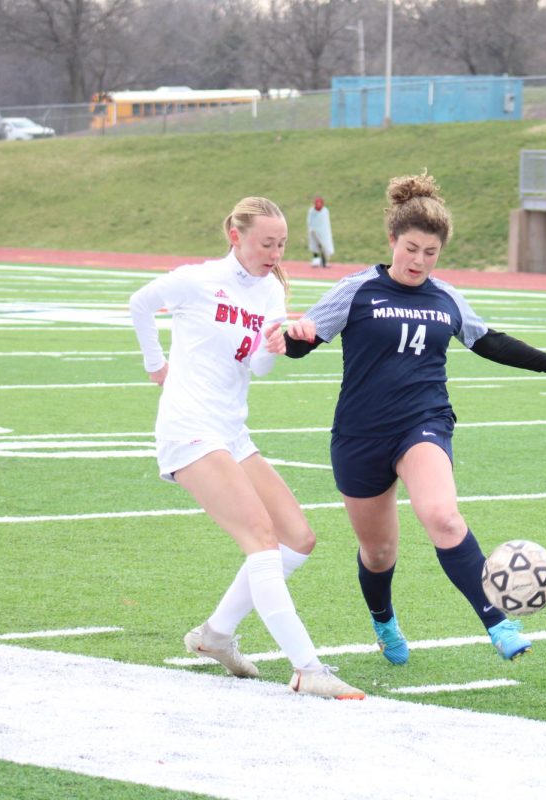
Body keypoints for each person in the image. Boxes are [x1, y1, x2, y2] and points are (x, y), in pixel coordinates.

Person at [282, 172, 546, 665]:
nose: (419, 261)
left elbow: (491, 341)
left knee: (442, 516)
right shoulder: (357, 290)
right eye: (411, 248)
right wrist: (296, 335)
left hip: (423, 424)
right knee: (378, 554)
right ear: (393, 240)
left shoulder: (447, 297)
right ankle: (384, 621)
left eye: (430, 253)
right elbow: (298, 347)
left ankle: (498, 623)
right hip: (359, 436)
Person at [129, 196, 364, 700]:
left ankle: (214, 636)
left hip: (232, 431)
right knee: (259, 535)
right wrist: (155, 366)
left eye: (281, 244)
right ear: (236, 236)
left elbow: (257, 367)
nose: (275, 253)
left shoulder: (270, 294)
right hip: (189, 428)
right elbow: (141, 303)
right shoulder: (196, 279)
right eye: (266, 243)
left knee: (297, 538)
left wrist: (274, 346)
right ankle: (307, 667)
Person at [307, 195, 334, 268]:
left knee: (324, 246)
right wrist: (312, 229)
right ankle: (316, 259)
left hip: (324, 232)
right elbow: (310, 221)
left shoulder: (325, 211)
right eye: (317, 202)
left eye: (320, 202)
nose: (318, 204)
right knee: (315, 245)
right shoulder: (311, 211)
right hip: (314, 231)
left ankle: (324, 261)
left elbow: (325, 223)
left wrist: (323, 232)